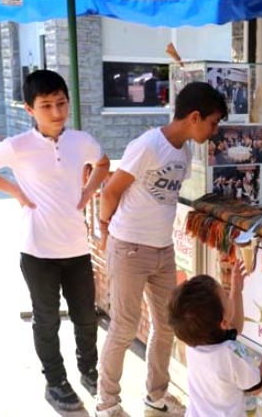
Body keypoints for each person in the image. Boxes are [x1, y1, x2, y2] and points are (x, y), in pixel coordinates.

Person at [95, 82, 228, 416]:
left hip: (163, 250)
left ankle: (156, 395)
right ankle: (107, 402)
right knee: (124, 326)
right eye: (212, 123)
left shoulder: (183, 152)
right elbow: (111, 191)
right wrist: (105, 230)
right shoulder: (148, 145)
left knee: (167, 324)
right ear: (194, 116)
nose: (213, 132)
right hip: (129, 248)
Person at [0, 69, 110, 411]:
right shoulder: (18, 147)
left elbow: (101, 162)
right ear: (29, 109)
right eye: (46, 105)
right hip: (37, 250)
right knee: (47, 319)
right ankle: (55, 382)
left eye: (61, 103)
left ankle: (89, 370)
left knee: (86, 316)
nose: (56, 113)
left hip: (76, 248)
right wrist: (14, 190)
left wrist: (87, 193)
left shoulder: (80, 141)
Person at [168, 267, 262, 417]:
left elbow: (234, 327)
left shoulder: (195, 343)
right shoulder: (230, 355)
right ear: (223, 323)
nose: (228, 293)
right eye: (226, 295)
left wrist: (236, 291)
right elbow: (257, 386)